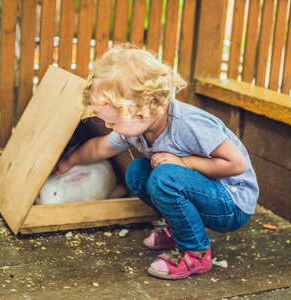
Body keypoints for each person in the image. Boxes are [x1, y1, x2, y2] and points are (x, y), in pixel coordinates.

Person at [54, 44, 259, 280]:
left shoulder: (189, 124)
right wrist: (69, 161)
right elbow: (101, 146)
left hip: (231, 202)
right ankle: (180, 230)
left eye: (112, 122)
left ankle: (197, 253)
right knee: (137, 171)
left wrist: (185, 162)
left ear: (140, 113)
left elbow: (236, 164)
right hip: (202, 189)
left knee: (164, 177)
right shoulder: (133, 126)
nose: (109, 127)